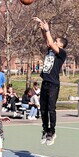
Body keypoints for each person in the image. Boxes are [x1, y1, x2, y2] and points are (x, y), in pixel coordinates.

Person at [33, 17, 68, 146]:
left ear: (61, 45)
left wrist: (48, 30)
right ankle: (45, 129)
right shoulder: (50, 49)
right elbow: (47, 40)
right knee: (43, 109)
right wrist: (42, 28)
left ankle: (52, 132)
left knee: (51, 109)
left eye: (56, 41)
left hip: (54, 84)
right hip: (45, 83)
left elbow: (50, 42)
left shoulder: (62, 53)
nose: (54, 41)